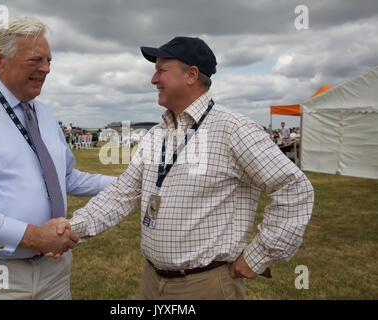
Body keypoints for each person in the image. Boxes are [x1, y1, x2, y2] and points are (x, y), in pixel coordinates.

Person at [63, 36, 314, 300]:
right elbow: (122, 193)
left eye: (161, 70)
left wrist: (258, 255)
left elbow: (294, 188)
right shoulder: (157, 134)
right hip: (151, 279)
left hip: (206, 285)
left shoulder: (233, 129)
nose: (153, 79)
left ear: (192, 75)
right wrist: (72, 229)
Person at [0, 17, 115, 300]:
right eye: (36, 60)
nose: (46, 69)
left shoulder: (45, 114)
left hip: (53, 271)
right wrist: (31, 236)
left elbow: (66, 178)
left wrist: (128, 183)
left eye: (49, 60)